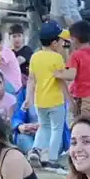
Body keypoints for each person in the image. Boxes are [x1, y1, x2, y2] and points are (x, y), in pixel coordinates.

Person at [24, 21, 67, 168]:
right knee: (56, 129)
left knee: (43, 127)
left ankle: (36, 149)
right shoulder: (57, 58)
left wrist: (28, 99)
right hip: (55, 100)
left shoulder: (35, 57)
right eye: (60, 40)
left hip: (39, 100)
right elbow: (61, 80)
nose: (62, 43)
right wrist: (70, 100)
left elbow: (31, 79)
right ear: (54, 43)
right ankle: (52, 158)